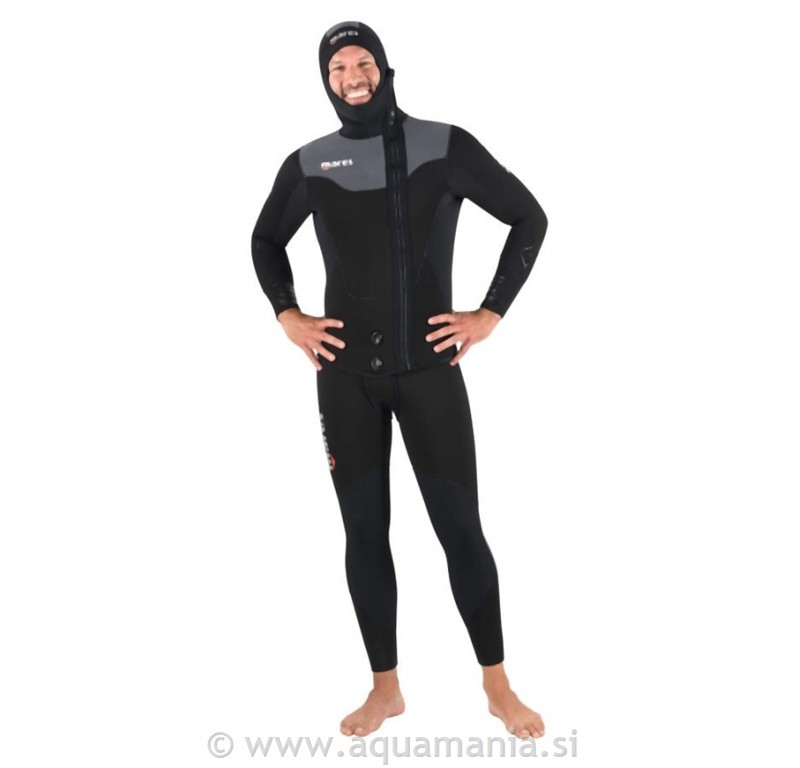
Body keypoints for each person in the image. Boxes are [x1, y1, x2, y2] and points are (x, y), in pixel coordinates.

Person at [251, 20, 548, 739]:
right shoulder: (309, 162)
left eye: (362, 63)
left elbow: (529, 218)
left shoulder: (443, 145)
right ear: (326, 80)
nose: (351, 77)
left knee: (461, 530)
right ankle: (385, 689)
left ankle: (498, 685)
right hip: (344, 377)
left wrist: (488, 313)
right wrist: (289, 314)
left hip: (428, 374)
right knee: (363, 533)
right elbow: (264, 240)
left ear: (385, 68)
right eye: (337, 68)